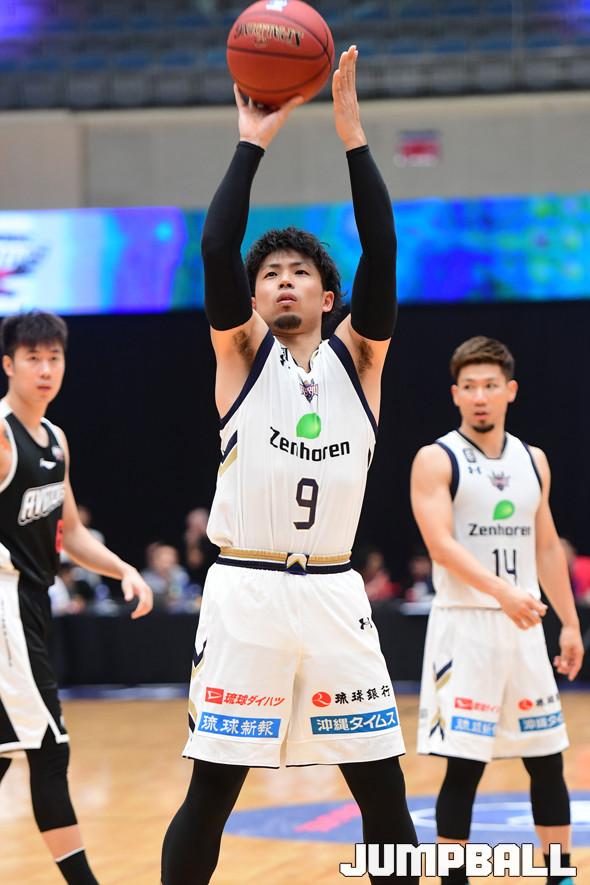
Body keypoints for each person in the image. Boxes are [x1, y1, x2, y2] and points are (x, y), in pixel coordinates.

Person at [161, 47, 417, 885]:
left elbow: (383, 247)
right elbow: (215, 245)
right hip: (248, 590)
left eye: (298, 273)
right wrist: (252, 141)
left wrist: (353, 137)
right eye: (268, 274)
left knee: (382, 788)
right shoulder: (241, 357)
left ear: (327, 297)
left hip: (336, 590)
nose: (280, 282)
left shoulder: (361, 361)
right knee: (212, 790)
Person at [411, 336, 584, 885]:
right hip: (466, 626)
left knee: (547, 758)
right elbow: (441, 546)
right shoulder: (436, 458)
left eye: (490, 385)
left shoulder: (534, 460)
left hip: (525, 624)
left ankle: (558, 874)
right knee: (464, 766)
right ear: (455, 394)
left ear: (510, 390)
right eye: (470, 387)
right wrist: (501, 593)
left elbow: (547, 545)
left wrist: (571, 623)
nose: (480, 396)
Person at [0, 310, 153, 885]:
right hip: (5, 604)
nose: (45, 369)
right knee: (48, 747)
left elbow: (72, 534)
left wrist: (123, 570)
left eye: (54, 358)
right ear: (8, 364)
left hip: (33, 604)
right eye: (32, 358)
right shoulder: (1, 436)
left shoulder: (56, 440)